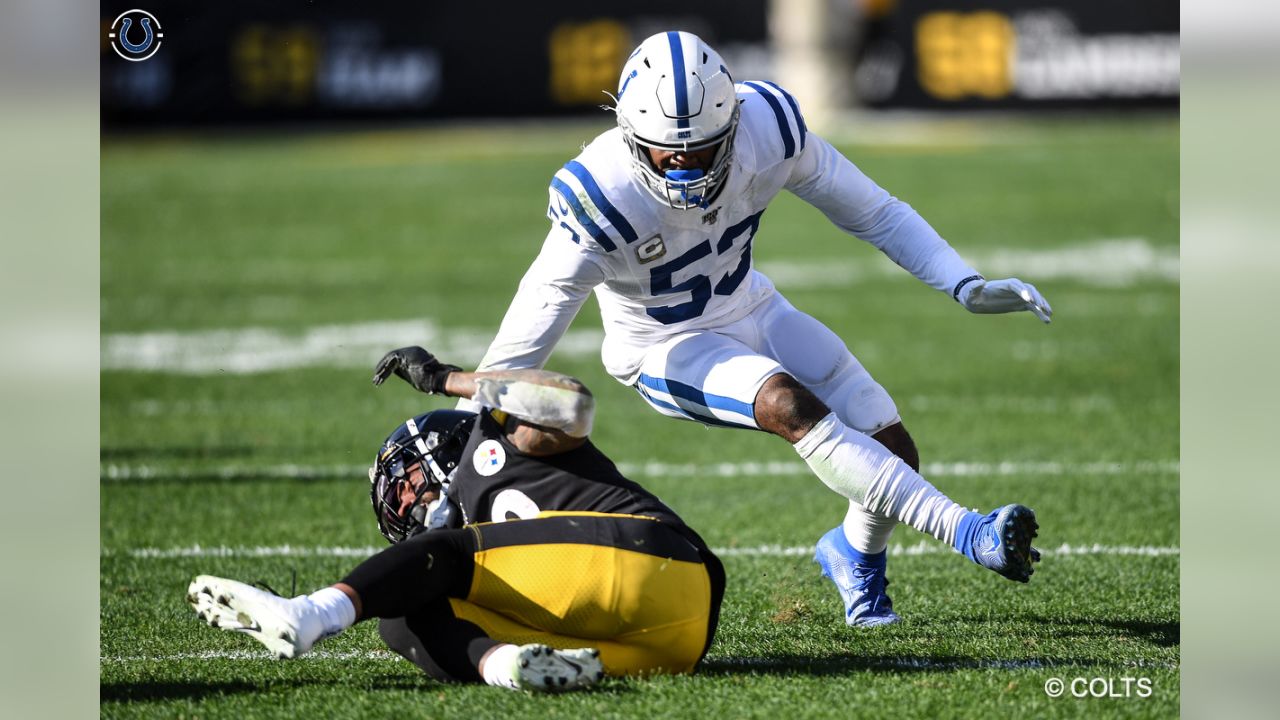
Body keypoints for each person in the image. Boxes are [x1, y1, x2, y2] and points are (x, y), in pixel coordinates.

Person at [420, 31, 1049, 627]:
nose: (689, 170)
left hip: (753, 306)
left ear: (733, 126)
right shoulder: (601, 194)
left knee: (890, 444)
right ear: (630, 135)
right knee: (787, 404)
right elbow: (533, 325)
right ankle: (971, 532)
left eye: (703, 151)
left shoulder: (766, 128)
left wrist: (961, 282)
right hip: (664, 347)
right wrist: (476, 440)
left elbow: (874, 211)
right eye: (672, 154)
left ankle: (854, 557)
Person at [188, 361, 725, 693]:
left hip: (653, 556)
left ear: (440, 452)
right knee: (399, 620)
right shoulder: (485, 551)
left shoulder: (495, 447)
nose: (402, 498)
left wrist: (450, 381)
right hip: (672, 647)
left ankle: (310, 613)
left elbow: (570, 402)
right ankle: (508, 668)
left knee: (449, 555)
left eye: (405, 480)